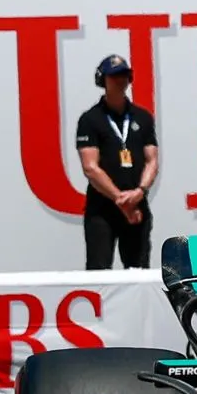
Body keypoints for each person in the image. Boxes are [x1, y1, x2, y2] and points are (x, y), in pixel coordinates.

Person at [73, 51, 161, 270]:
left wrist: (139, 191)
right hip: (103, 209)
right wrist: (119, 199)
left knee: (138, 270)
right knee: (98, 271)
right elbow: (90, 168)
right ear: (102, 80)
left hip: (137, 204)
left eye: (124, 75)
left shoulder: (142, 117)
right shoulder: (90, 119)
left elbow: (152, 160)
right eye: (114, 76)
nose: (120, 81)